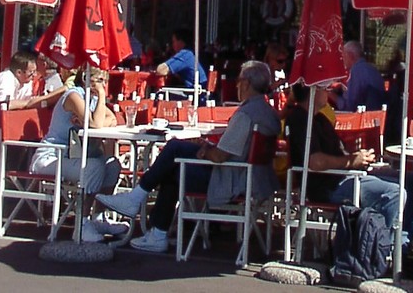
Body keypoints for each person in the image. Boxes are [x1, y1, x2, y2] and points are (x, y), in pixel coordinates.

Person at [96, 59, 280, 253]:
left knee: (174, 167)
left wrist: (207, 151)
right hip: (252, 177)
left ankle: (148, 217)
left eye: (239, 80)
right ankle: (148, 219)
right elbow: (235, 150)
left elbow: (219, 157)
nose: (236, 84)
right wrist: (207, 147)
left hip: (231, 179)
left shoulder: (246, 114)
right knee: (176, 152)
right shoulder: (268, 112)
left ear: (246, 83)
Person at [284, 82, 413, 250]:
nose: (329, 91)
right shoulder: (300, 120)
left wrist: (361, 160)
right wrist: (351, 161)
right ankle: (382, 249)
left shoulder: (320, 119)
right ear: (312, 91)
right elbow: (315, 161)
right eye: (324, 87)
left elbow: (339, 154)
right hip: (328, 186)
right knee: (394, 193)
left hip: (345, 174)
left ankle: (403, 244)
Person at [29, 66, 125, 242]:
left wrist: (92, 118)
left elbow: (114, 119)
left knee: (112, 164)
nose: (104, 85)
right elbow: (95, 125)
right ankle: (81, 223)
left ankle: (98, 217)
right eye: (100, 81)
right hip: (53, 156)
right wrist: (101, 100)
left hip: (74, 157)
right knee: (94, 166)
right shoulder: (74, 95)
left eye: (105, 81)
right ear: (88, 79)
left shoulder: (92, 100)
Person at [0, 50, 64, 110]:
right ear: (19, 73)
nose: (34, 75)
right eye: (31, 72)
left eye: (35, 71)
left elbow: (28, 102)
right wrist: (28, 103)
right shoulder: (5, 78)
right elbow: (3, 104)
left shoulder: (26, 83)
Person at [332, 41, 386, 112]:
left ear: (350, 55)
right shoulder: (373, 70)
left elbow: (347, 106)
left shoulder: (355, 72)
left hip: (359, 118)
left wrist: (329, 94)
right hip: (376, 117)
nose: (342, 59)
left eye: (343, 56)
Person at [157, 27, 207, 92]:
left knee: (159, 94)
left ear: (181, 42)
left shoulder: (185, 54)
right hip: (199, 92)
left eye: (173, 41)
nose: (172, 45)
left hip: (193, 94)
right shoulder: (191, 53)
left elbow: (161, 70)